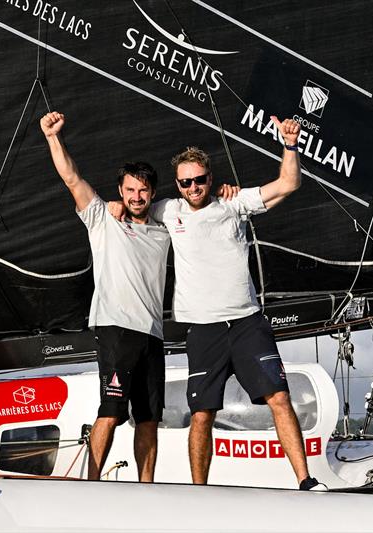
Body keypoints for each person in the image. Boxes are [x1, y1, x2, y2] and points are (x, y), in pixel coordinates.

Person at [119, 116, 326, 490]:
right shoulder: (168, 210)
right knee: (202, 414)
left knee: (279, 397)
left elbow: (289, 183)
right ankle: (201, 492)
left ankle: (306, 480)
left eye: (199, 180)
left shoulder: (233, 204)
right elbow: (135, 202)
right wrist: (116, 206)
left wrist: (290, 143)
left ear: (210, 179)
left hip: (247, 323)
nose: (193, 187)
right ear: (178, 184)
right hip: (203, 330)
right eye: (186, 182)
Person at [40, 111, 171, 482]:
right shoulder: (103, 219)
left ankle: (147, 488)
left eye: (143, 190)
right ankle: (92, 483)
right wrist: (52, 137)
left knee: (149, 419)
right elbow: (72, 178)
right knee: (111, 411)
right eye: (129, 190)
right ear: (120, 191)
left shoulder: (164, 229)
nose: (136, 196)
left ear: (153, 192)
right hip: (115, 327)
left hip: (152, 334)